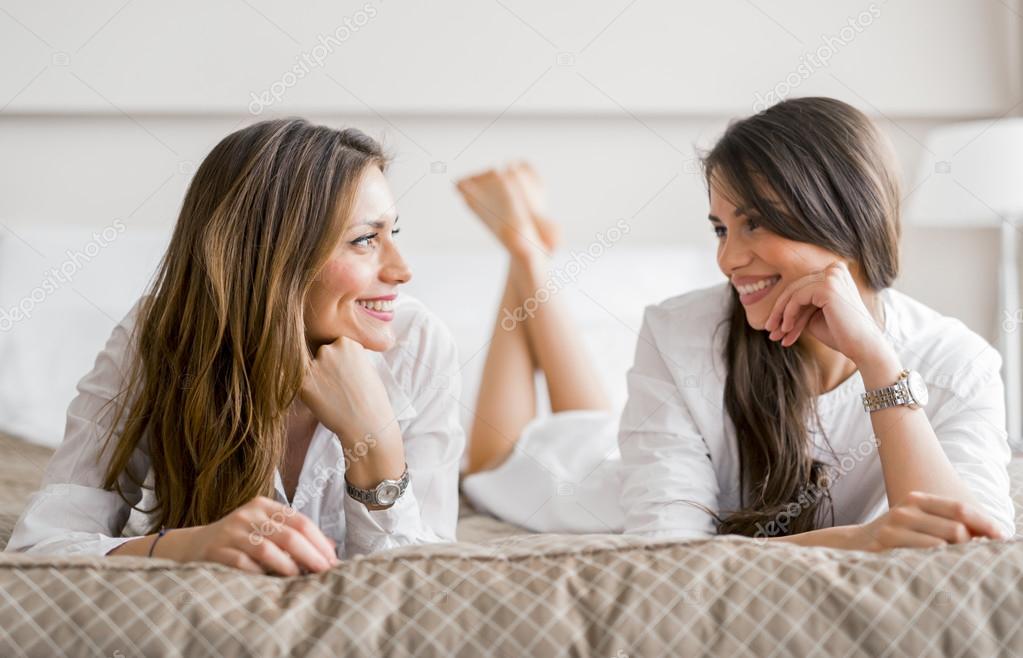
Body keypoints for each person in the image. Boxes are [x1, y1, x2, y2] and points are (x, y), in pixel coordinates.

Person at [458, 97, 1015, 550]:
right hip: (581, 480)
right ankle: (523, 251)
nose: (727, 260)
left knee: (597, 419)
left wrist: (877, 362)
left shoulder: (958, 363)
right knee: (496, 459)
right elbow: (669, 553)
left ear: (844, 218)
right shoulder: (680, 329)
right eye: (721, 229)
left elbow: (968, 547)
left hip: (631, 443)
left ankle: (528, 247)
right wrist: (857, 542)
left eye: (754, 225)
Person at [6, 119, 465, 575]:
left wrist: (375, 442)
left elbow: (422, 587)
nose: (402, 270)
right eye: (365, 239)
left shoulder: (418, 347)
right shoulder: (158, 335)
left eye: (393, 233)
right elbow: (39, 550)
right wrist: (186, 546)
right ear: (275, 256)